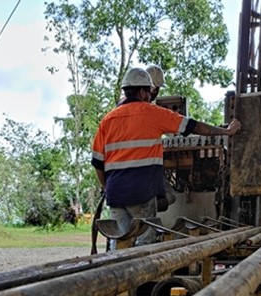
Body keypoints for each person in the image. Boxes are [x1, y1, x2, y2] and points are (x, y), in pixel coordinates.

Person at [91, 67, 242, 246]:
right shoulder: (152, 113)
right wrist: (226, 131)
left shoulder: (108, 120)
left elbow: (97, 163)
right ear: (141, 92)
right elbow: (194, 126)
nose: (150, 96)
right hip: (142, 192)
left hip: (115, 194)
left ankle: (118, 272)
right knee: (144, 243)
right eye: (149, 92)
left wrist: (108, 188)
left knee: (120, 242)